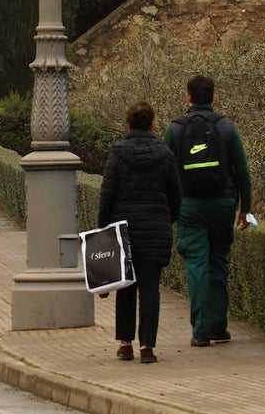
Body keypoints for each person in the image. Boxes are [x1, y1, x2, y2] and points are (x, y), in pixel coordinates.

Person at [163, 74, 253, 348]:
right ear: (213, 97)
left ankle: (201, 330)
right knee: (218, 262)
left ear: (188, 97)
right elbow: (243, 172)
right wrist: (246, 209)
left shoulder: (175, 130)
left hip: (189, 205)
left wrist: (168, 210)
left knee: (196, 265)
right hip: (223, 204)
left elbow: (165, 172)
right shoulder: (226, 128)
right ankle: (218, 326)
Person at [97, 101, 182, 364]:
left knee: (126, 287)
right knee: (150, 288)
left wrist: (103, 230)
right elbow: (176, 196)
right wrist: (167, 220)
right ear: (153, 124)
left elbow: (107, 195)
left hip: (124, 231)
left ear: (128, 124)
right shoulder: (165, 154)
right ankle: (147, 346)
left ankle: (125, 344)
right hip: (155, 230)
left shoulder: (118, 154)